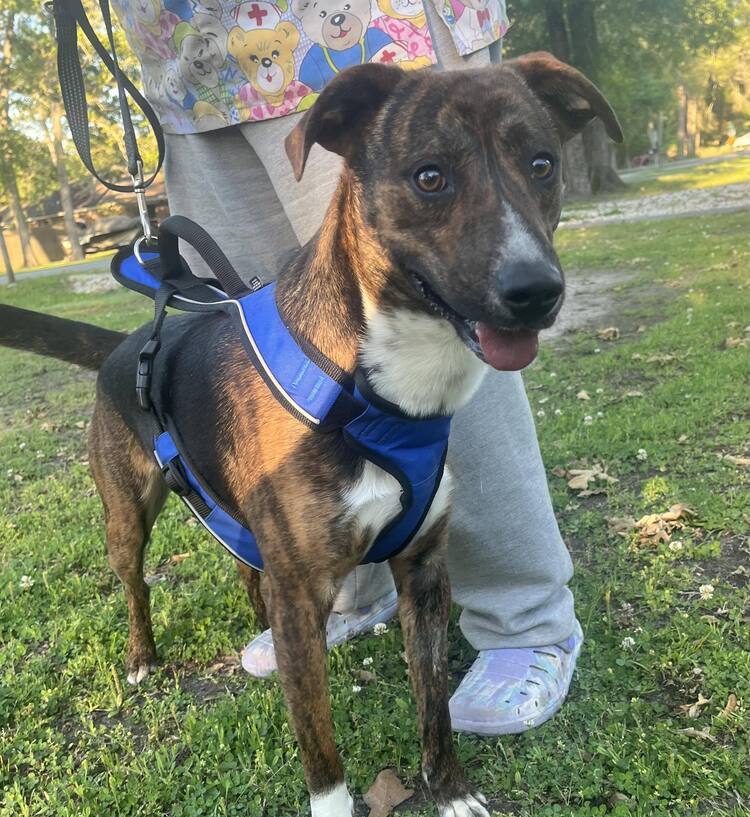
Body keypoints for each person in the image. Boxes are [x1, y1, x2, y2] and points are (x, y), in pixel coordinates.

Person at [112, 0, 583, 735]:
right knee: (278, 354)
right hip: (190, 67)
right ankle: (352, 589)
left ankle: (525, 618)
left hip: (339, 24)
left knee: (437, 332)